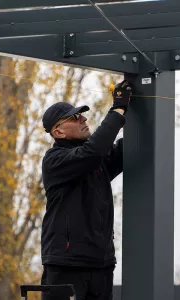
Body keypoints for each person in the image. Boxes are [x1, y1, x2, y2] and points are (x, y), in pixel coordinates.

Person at [40, 80, 133, 300]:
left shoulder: (95, 160)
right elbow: (92, 152)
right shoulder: (55, 160)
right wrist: (117, 110)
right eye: (74, 117)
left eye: (81, 115)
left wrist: (134, 109)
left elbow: (128, 147)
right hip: (66, 265)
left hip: (101, 264)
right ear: (58, 132)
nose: (83, 119)